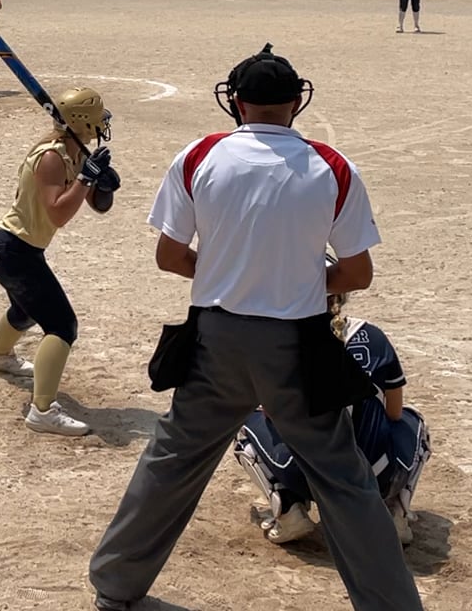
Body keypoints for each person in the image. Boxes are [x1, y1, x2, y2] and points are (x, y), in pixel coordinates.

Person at [89, 43, 423, 611]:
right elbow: (357, 273)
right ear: (296, 102)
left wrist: (227, 271)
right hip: (296, 346)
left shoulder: (200, 155)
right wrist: (296, 279)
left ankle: (115, 586)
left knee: (172, 460)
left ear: (237, 103)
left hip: (214, 341)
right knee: (343, 480)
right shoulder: (331, 166)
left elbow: (170, 257)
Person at [233, 288, 431, 547]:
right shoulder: (372, 336)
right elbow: (394, 412)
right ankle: (394, 511)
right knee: (413, 421)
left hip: (305, 477)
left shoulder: (280, 341)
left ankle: (288, 508)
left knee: (247, 423)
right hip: (375, 477)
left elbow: (272, 415)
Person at [0, 86, 119, 437]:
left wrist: (101, 186)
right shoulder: (52, 157)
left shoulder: (74, 152)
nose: (102, 122)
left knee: (26, 309)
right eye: (97, 117)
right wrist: (86, 179)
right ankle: (42, 412)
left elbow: (96, 205)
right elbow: (58, 213)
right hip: (13, 251)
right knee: (61, 325)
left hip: (19, 250)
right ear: (82, 121)